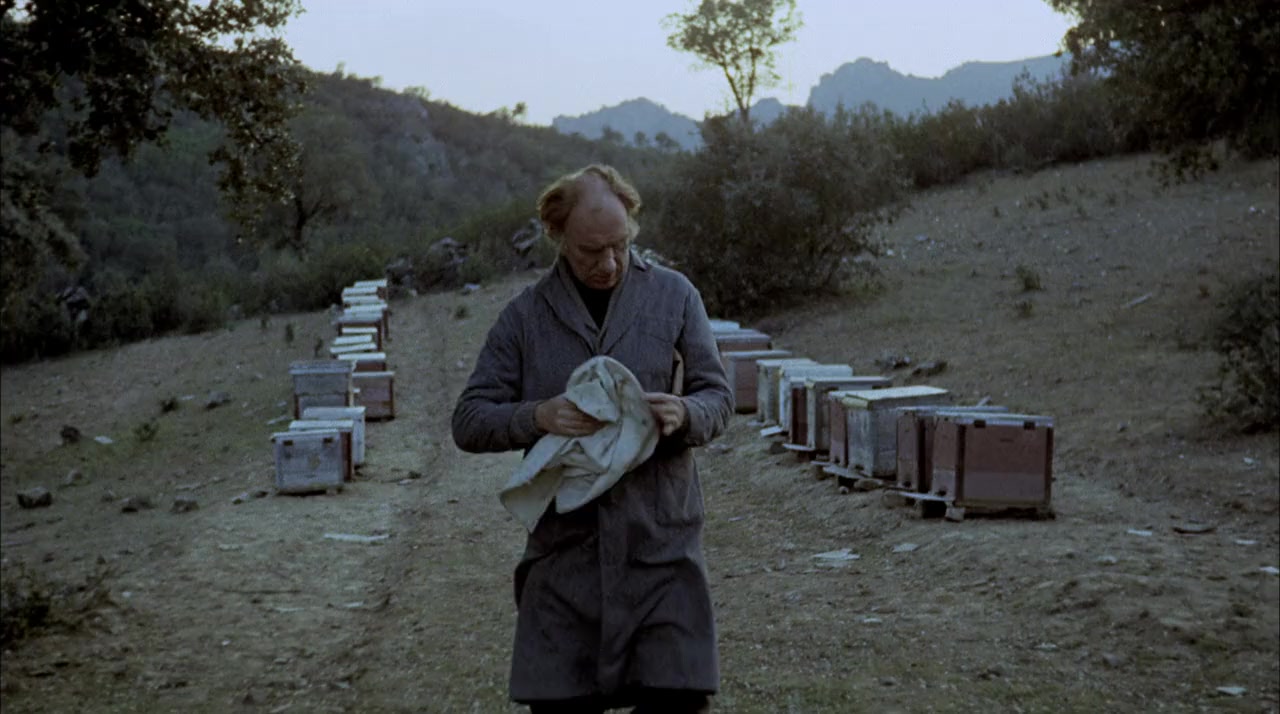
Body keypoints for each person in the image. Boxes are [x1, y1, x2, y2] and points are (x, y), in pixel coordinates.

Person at [451, 164, 733, 713]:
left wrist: (685, 412)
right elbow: (469, 420)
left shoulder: (675, 296)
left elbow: (717, 397)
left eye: (620, 246)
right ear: (557, 236)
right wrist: (539, 416)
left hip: (661, 547)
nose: (608, 264)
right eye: (590, 251)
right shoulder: (525, 317)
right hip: (564, 559)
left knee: (677, 699)